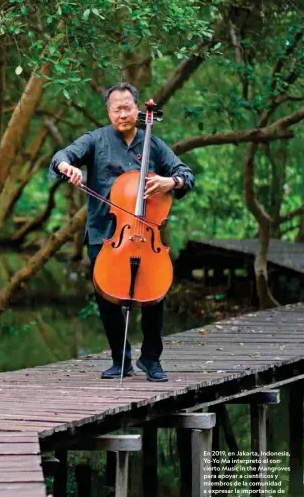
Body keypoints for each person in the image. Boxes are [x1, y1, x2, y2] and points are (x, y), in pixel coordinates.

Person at [48, 82, 194, 381]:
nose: (123, 113)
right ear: (109, 111)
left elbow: (186, 175)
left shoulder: (152, 142)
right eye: (117, 109)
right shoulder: (96, 140)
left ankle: (151, 359)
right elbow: (61, 156)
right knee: (107, 298)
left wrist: (171, 183)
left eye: (128, 107)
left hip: (146, 235)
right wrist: (68, 168)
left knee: (155, 295)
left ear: (137, 109)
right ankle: (121, 360)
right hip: (106, 234)